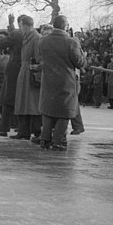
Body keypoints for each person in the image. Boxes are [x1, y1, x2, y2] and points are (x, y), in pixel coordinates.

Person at [36, 15, 88, 149]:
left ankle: (45, 139)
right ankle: (58, 140)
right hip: (66, 80)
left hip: (48, 79)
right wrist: (84, 56)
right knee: (65, 111)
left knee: (48, 109)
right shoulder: (71, 42)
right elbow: (79, 62)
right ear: (66, 26)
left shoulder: (43, 41)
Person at [12, 14, 42, 142]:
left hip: (30, 73)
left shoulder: (36, 38)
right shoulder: (28, 37)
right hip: (24, 71)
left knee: (31, 104)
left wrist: (36, 72)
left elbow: (39, 58)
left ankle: (33, 130)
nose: (20, 29)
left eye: (21, 26)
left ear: (26, 26)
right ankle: (24, 130)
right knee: (23, 102)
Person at [0, 15, 24, 137]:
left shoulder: (16, 34)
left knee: (8, 98)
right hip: (24, 68)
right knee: (21, 98)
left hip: (14, 68)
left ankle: (4, 127)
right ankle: (20, 126)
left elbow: (2, 43)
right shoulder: (31, 34)